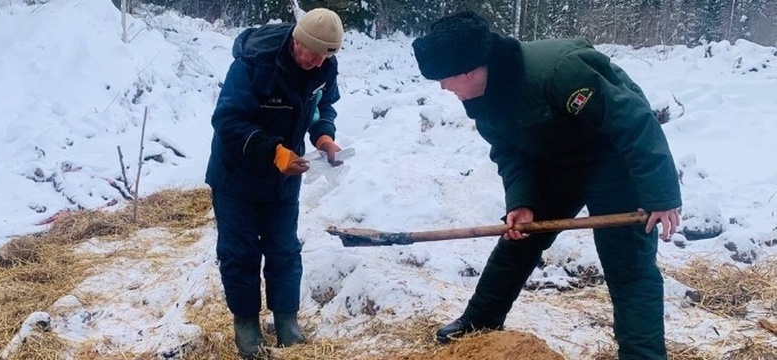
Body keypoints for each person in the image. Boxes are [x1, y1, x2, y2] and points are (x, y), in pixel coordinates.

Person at [412, 11, 681, 360]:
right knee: (518, 241)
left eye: (445, 79)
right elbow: (509, 152)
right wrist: (521, 202)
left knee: (628, 265)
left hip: (615, 159)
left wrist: (660, 195)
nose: (443, 87)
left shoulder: (560, 71)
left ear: (470, 69)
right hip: (559, 161)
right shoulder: (481, 99)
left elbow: (633, 122)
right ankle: (479, 322)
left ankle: (643, 355)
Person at [205, 8, 345, 359]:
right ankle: (246, 324)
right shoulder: (255, 63)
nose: (316, 62)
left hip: (285, 176)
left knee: (284, 249)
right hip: (237, 173)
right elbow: (227, 119)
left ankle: (286, 320)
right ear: (297, 40)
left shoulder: (324, 68)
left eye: (326, 55)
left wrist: (324, 137)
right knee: (240, 252)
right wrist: (274, 151)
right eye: (312, 52)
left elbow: (320, 107)